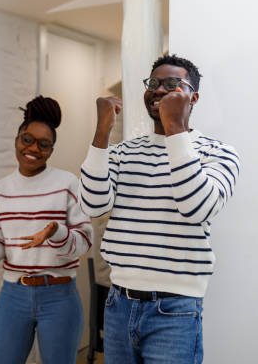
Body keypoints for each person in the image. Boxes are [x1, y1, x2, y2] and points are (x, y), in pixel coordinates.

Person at [79, 54, 240, 363]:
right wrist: (101, 133)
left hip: (176, 309)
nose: (159, 90)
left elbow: (198, 207)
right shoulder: (123, 152)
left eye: (172, 84)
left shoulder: (218, 153)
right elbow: (92, 205)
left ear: (193, 97)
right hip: (118, 303)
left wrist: (176, 130)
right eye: (154, 83)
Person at [0, 96, 93, 364]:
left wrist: (55, 232)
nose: (34, 148)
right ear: (16, 140)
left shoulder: (67, 183)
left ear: (51, 150)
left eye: (44, 144)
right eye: (27, 139)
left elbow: (84, 241)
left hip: (59, 296)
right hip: (13, 296)